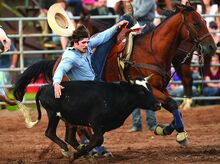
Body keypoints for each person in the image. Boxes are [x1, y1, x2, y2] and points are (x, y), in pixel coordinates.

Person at [53, 16, 129, 156]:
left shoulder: (86, 46)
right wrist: (56, 82)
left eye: (88, 42)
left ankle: (123, 19)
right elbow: (60, 69)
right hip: (87, 90)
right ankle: (95, 143)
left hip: (94, 80)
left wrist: (117, 26)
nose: (87, 45)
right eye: (83, 43)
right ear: (75, 43)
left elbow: (102, 36)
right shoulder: (70, 57)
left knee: (107, 39)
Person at [127, 0, 157, 132]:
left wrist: (129, 16)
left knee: (147, 88)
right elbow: (133, 11)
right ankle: (138, 124)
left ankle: (150, 123)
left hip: (146, 27)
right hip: (138, 25)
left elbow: (140, 12)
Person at [0, 41, 19, 109]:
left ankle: (4, 108)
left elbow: (15, 52)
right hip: (4, 69)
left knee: (4, 89)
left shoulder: (4, 39)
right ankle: (4, 106)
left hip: (4, 69)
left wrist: (13, 65)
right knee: (4, 90)